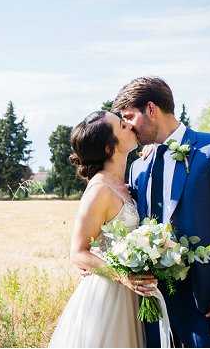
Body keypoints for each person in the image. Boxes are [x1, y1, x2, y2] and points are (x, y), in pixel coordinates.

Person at [112, 76, 210, 348]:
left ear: (151, 109)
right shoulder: (138, 167)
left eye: (129, 117)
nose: (127, 126)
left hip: (207, 302)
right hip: (152, 302)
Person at [48, 110, 155, 348]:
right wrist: (123, 276)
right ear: (109, 148)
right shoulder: (99, 190)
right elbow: (78, 252)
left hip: (130, 295)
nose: (129, 124)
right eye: (122, 126)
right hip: (108, 295)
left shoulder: (122, 183)